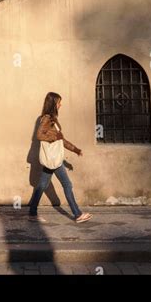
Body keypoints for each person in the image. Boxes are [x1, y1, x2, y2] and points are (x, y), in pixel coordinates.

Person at [28, 92, 91, 224]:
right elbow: (39, 135)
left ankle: (32, 213)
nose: (60, 105)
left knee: (41, 185)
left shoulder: (52, 119)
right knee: (67, 184)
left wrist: (75, 150)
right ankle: (78, 214)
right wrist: (53, 138)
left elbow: (61, 139)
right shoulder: (46, 119)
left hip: (53, 159)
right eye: (59, 102)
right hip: (54, 160)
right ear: (53, 104)